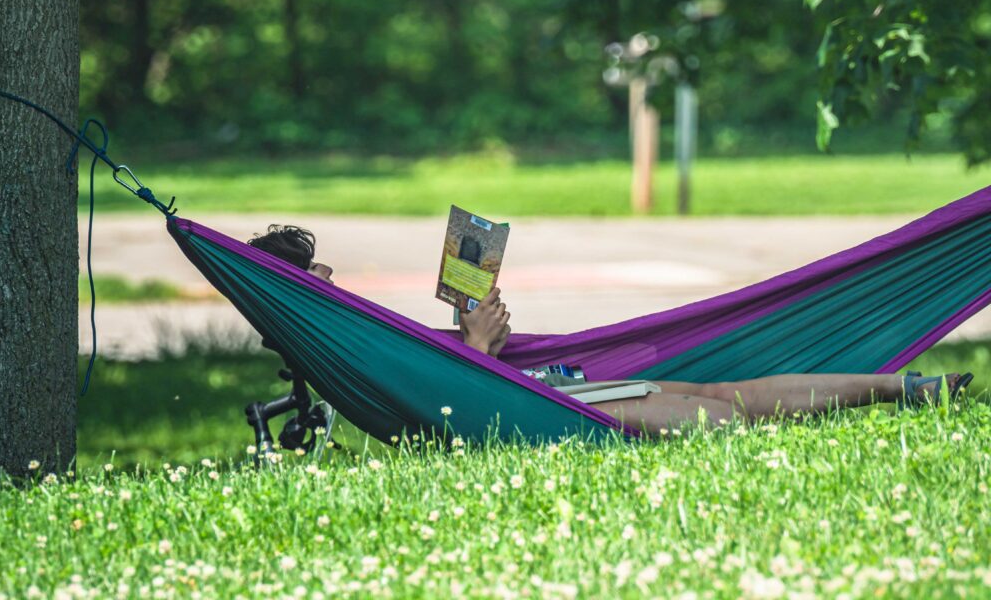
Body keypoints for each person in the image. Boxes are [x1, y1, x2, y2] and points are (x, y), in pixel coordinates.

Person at [248, 224, 973, 433]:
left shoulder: (352, 343)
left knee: (734, 399)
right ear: (300, 304)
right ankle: (905, 391)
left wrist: (475, 341)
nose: (333, 283)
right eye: (319, 282)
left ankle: (905, 387)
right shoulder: (348, 355)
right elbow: (450, 412)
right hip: (545, 401)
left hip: (553, 386)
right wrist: (478, 350)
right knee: (726, 415)